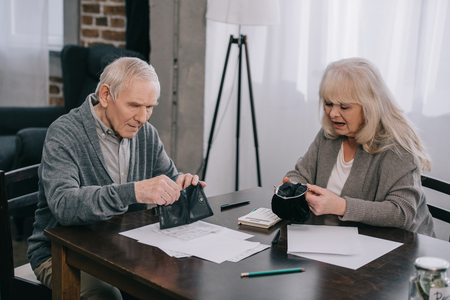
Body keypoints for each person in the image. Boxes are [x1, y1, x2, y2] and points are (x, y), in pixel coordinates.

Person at [27, 57, 205, 299]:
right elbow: (64, 205)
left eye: (150, 107)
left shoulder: (146, 135)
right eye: (134, 105)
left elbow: (168, 178)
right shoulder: (64, 133)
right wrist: (133, 192)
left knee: (179, 283)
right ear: (105, 95)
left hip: (120, 249)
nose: (143, 118)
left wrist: (180, 185)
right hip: (61, 253)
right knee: (107, 296)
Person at [280, 57, 434, 236]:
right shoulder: (329, 134)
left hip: (401, 250)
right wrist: (293, 187)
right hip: (341, 238)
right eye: (328, 103)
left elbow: (401, 213)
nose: (333, 113)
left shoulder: (397, 147)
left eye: (344, 107)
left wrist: (340, 206)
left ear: (370, 107)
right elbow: (300, 173)